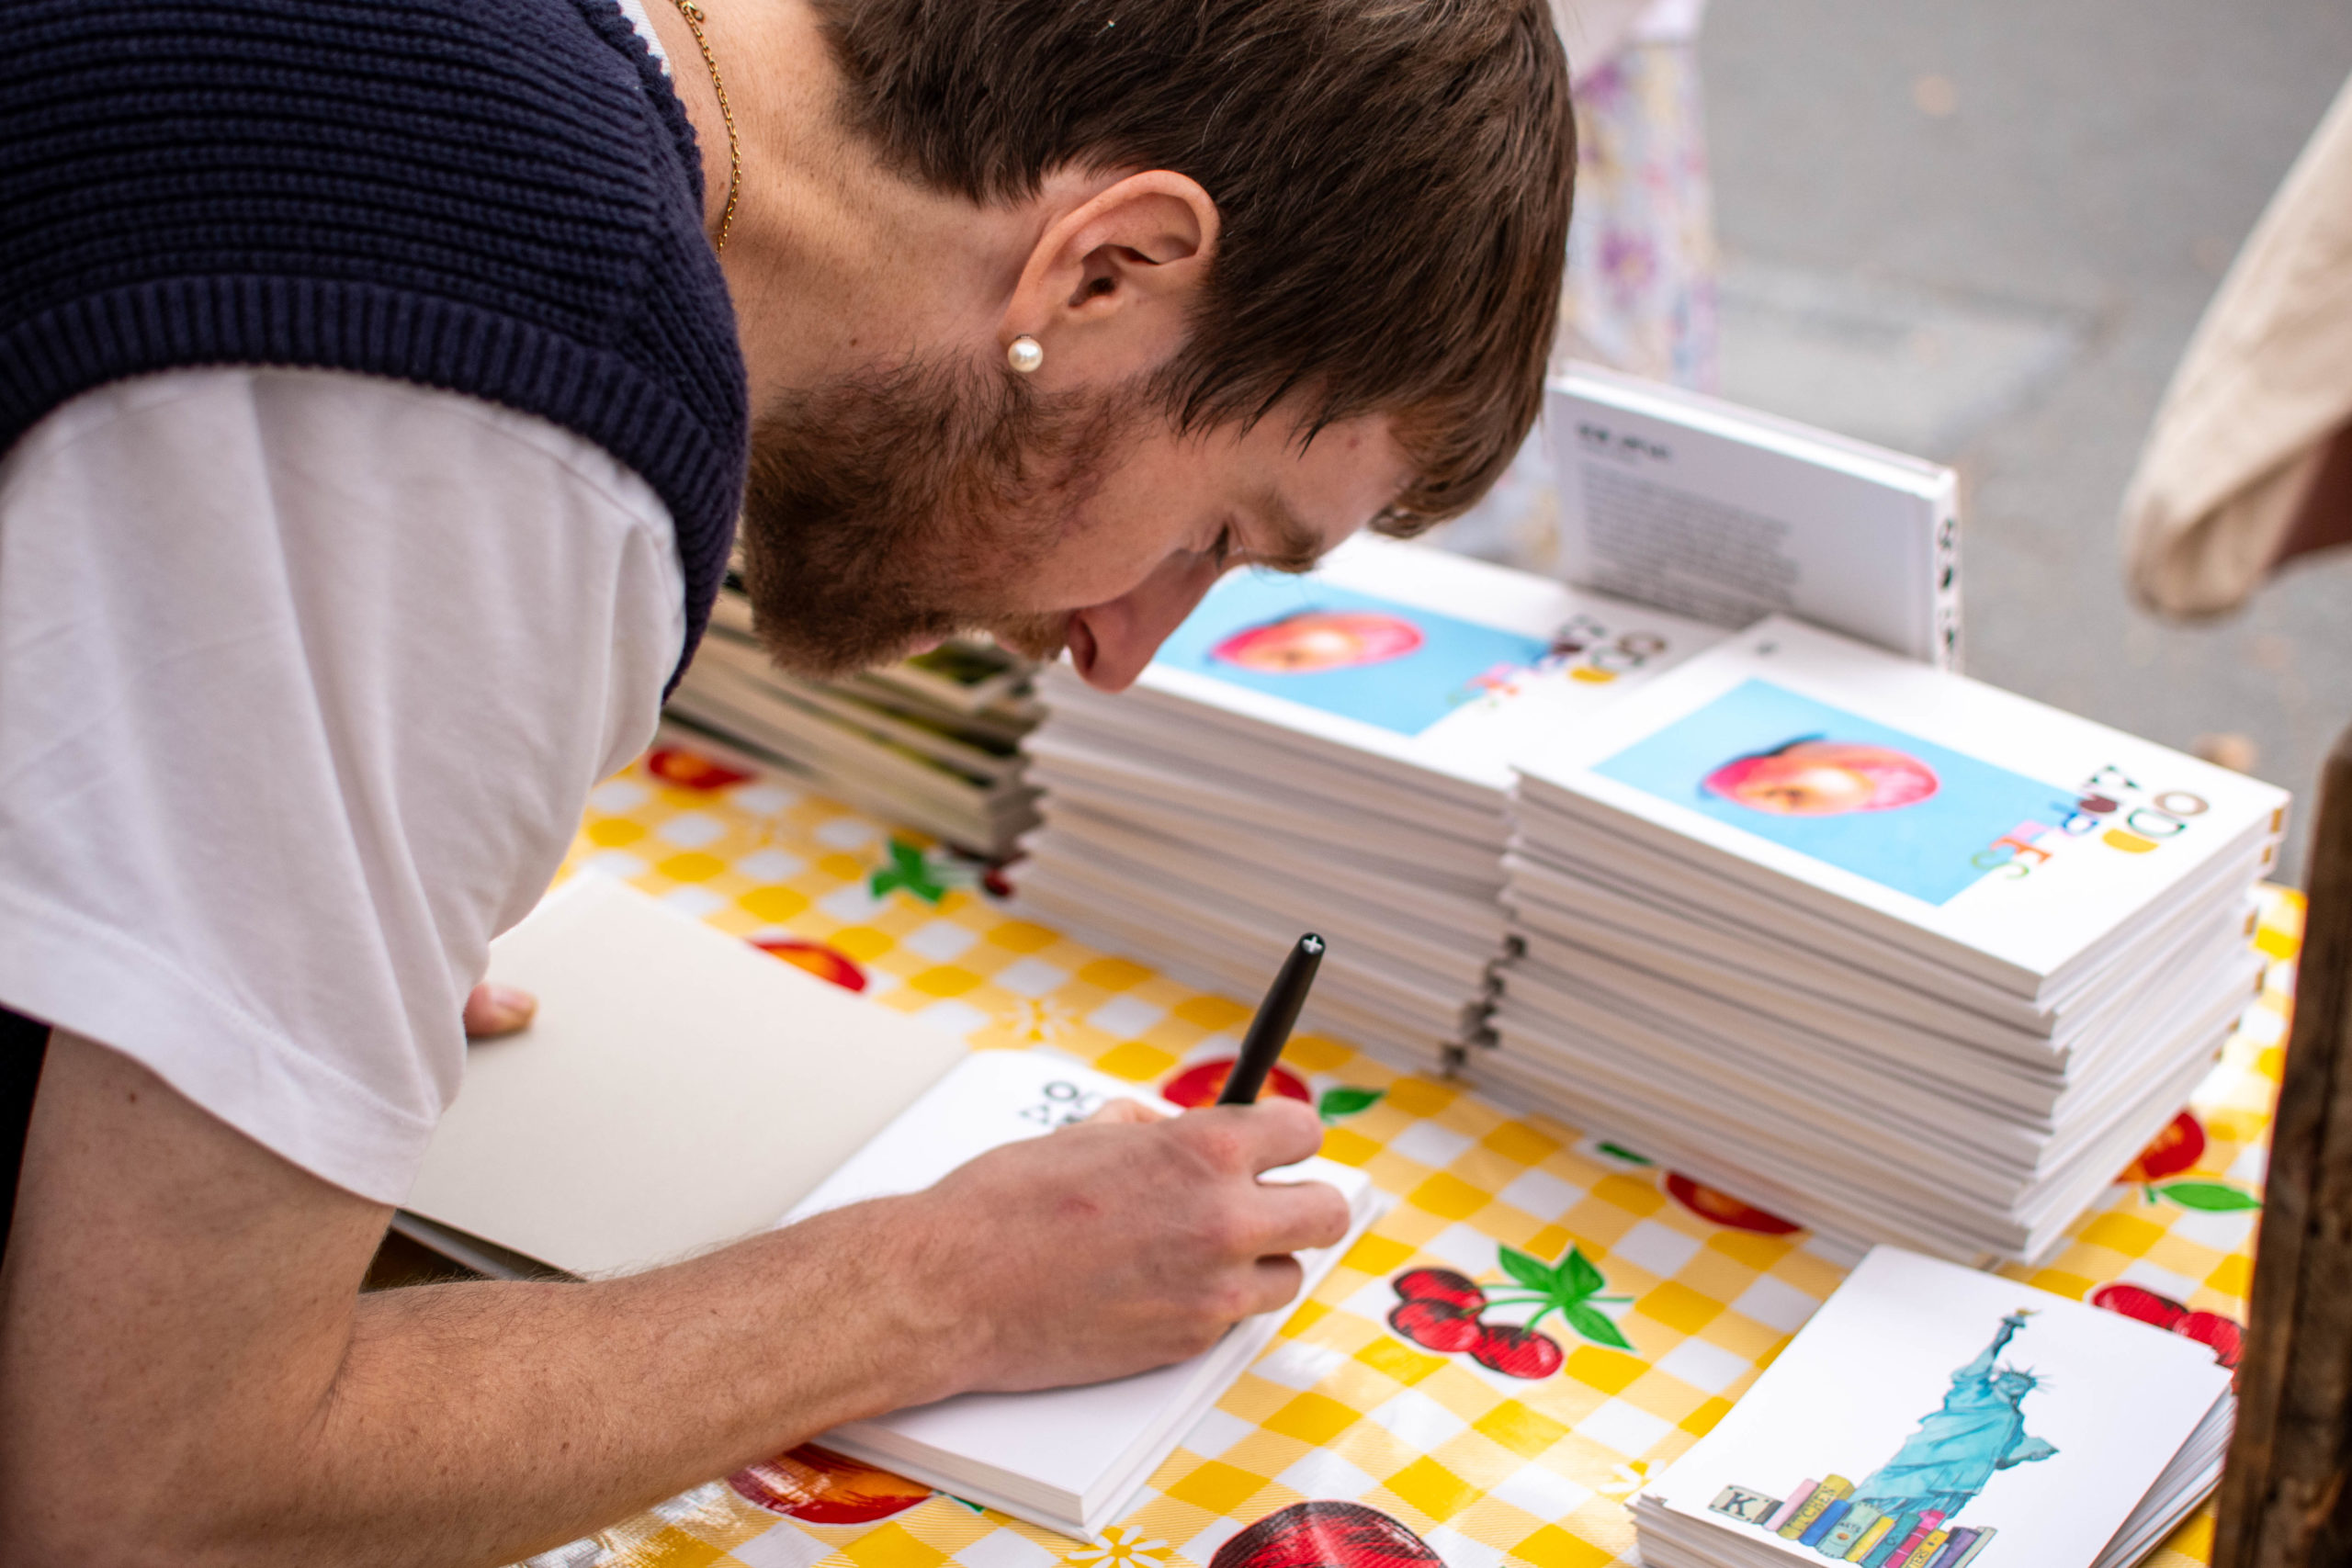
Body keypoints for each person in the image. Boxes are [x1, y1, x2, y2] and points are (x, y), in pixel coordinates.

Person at [0, 0, 1573, 1562]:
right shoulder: (510, 396)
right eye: (1215, 537)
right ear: (1108, 270)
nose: (1123, 651)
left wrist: (258, 890)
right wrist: (930, 1288)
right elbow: (153, 1495)